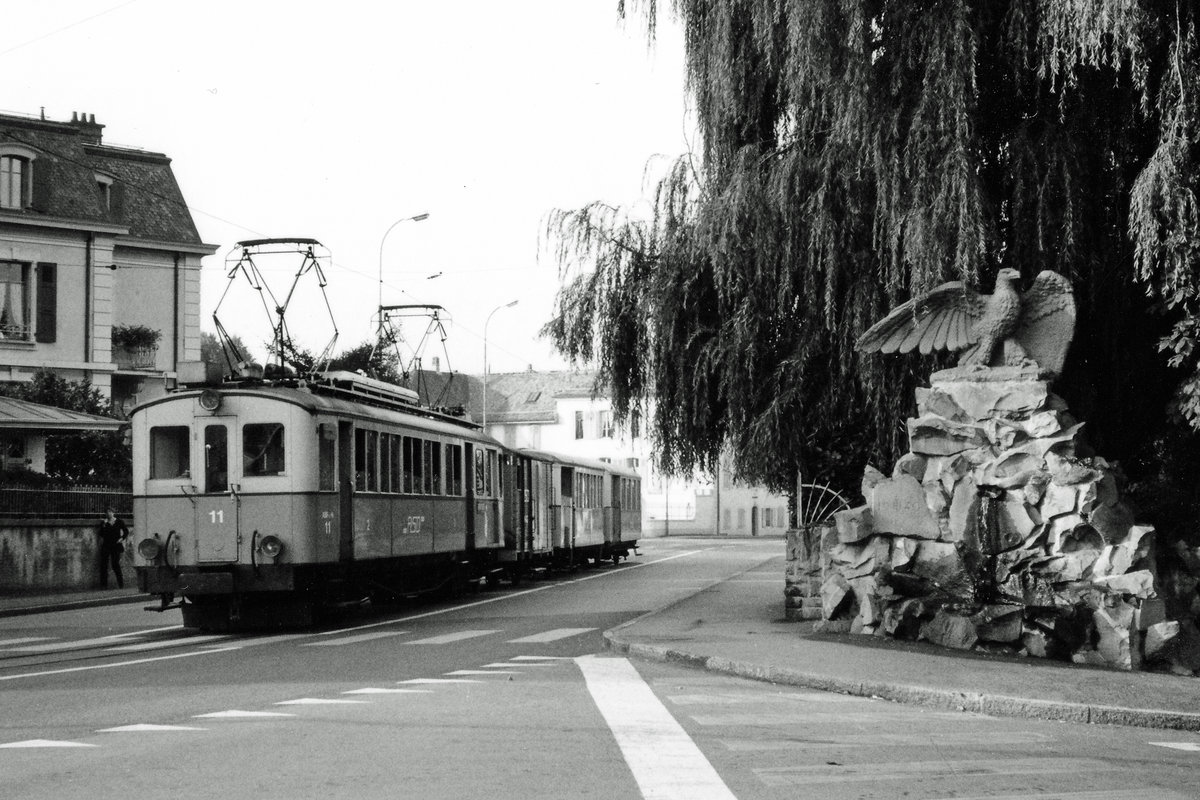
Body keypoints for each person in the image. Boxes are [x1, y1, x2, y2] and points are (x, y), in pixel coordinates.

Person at [97, 507, 130, 589]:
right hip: (106, 545)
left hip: (116, 545)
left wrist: (121, 538)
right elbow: (101, 534)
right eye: (107, 512)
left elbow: (126, 531)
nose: (108, 513)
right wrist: (104, 525)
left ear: (113, 512)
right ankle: (103, 585)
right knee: (103, 565)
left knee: (115, 564)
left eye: (110, 512)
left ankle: (121, 584)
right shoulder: (104, 523)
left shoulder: (119, 521)